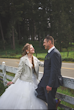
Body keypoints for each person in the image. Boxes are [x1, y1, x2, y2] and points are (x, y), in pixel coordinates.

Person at [0, 43, 47, 109]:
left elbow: (42, 64)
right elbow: (19, 71)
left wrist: (50, 61)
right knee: (25, 98)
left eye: (33, 47)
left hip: (34, 81)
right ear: (27, 51)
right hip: (25, 81)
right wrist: (13, 81)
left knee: (36, 97)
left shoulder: (35, 58)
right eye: (31, 48)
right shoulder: (23, 59)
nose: (33, 49)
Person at [36, 35, 63, 109]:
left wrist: (50, 84)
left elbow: (54, 70)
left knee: (50, 105)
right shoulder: (49, 53)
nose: (43, 44)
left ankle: (53, 103)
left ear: (49, 42)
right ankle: (54, 102)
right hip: (45, 80)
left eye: (44, 42)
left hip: (50, 83)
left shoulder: (55, 53)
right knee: (38, 92)